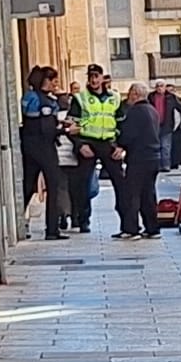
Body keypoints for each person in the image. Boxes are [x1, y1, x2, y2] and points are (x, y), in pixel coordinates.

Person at [67, 64, 123, 235]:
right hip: (87, 144)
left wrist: (120, 145)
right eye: (91, 76)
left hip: (108, 144)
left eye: (96, 76)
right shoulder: (80, 98)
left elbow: (122, 123)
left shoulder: (115, 98)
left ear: (102, 77)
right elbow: (70, 125)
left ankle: (127, 222)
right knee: (82, 185)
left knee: (121, 183)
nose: (93, 79)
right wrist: (79, 144)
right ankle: (82, 220)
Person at [19, 67, 65, 240]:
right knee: (53, 185)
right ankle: (52, 229)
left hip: (29, 147)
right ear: (45, 81)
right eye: (53, 80)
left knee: (28, 186)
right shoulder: (43, 101)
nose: (56, 84)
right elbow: (47, 129)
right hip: (44, 148)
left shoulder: (28, 97)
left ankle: (19, 222)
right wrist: (64, 130)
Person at [114, 84, 163, 240]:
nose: (128, 97)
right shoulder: (153, 111)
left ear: (135, 94)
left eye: (129, 93)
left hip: (138, 157)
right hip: (154, 157)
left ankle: (131, 229)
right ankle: (152, 228)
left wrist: (120, 144)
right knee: (148, 194)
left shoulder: (135, 112)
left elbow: (128, 135)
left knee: (132, 194)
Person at [149, 81, 181, 170]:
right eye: (157, 86)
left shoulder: (171, 97)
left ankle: (166, 165)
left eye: (161, 86)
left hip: (167, 125)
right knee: (156, 146)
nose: (159, 88)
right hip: (154, 125)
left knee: (166, 146)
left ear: (165, 87)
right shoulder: (151, 97)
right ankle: (157, 166)